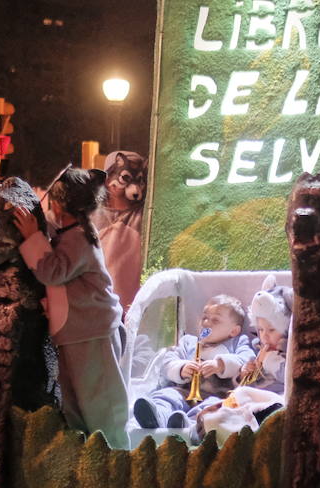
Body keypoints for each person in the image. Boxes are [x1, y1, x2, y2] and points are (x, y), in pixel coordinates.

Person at [13, 167, 128, 445]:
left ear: (58, 203)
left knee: (100, 403)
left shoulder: (77, 237)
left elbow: (52, 272)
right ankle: (94, 456)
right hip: (81, 330)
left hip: (90, 331)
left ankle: (114, 458)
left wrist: (32, 236)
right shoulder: (73, 233)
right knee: (79, 401)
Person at [131, 295, 253, 430]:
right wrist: (181, 368)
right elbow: (168, 361)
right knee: (167, 395)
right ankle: (158, 416)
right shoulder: (188, 341)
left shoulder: (237, 342)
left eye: (215, 320)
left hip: (217, 396)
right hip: (184, 390)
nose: (206, 322)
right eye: (204, 317)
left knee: (214, 409)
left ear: (233, 331)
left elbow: (247, 360)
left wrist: (221, 364)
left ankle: (189, 424)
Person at [239, 277, 293, 396]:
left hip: (277, 397)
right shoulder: (257, 347)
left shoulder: (290, 352)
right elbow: (245, 380)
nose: (265, 335)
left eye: (272, 330)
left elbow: (290, 377)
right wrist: (245, 371)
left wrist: (269, 360)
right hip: (251, 395)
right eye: (261, 329)